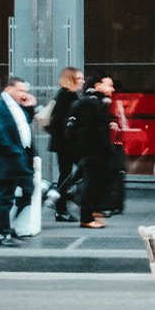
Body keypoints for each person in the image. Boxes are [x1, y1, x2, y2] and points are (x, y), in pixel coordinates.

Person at [0, 76, 37, 247]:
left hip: (18, 159)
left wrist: (30, 108)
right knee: (5, 198)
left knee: (28, 189)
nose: (24, 94)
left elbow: (23, 124)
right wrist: (15, 151)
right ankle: (1, 234)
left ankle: (6, 227)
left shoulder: (14, 105)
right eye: (21, 90)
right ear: (9, 89)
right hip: (6, 160)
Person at [66, 74, 117, 229]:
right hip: (93, 151)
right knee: (91, 183)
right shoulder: (90, 103)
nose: (112, 89)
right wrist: (89, 150)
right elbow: (87, 130)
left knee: (98, 182)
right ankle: (86, 217)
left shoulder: (98, 102)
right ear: (97, 85)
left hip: (97, 151)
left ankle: (93, 211)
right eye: (108, 84)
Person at [46, 66, 83, 222]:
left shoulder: (68, 95)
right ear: (72, 80)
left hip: (67, 144)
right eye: (79, 79)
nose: (82, 81)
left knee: (69, 173)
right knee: (69, 173)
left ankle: (62, 198)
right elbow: (60, 122)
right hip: (66, 144)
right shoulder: (66, 96)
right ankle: (61, 201)